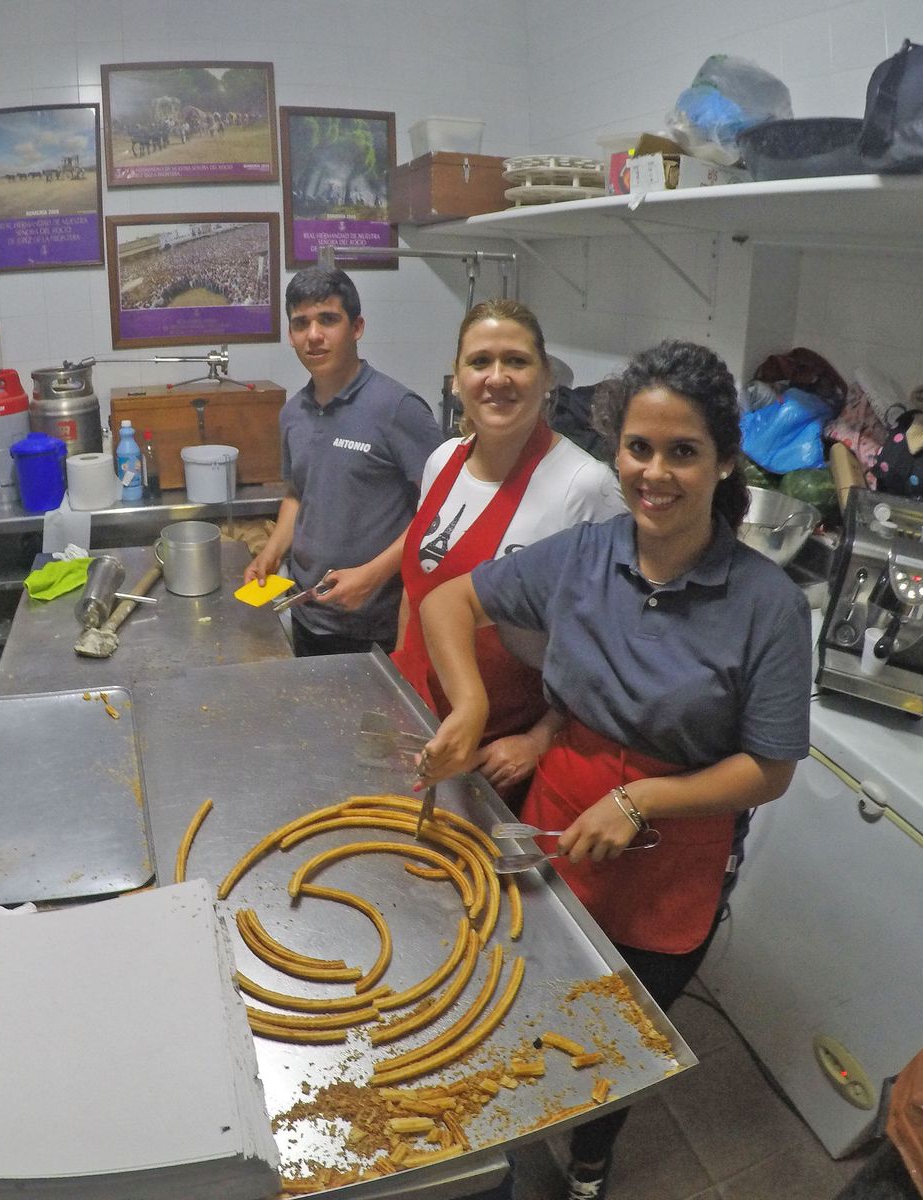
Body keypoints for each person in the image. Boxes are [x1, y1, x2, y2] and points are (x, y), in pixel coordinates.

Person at [415, 341, 812, 1199]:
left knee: (616, 1036)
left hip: (674, 854)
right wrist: (470, 705)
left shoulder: (767, 606)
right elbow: (449, 599)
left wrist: (641, 799)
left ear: (723, 461)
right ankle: (514, 1134)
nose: (655, 473)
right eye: (638, 448)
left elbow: (770, 769)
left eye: (682, 451)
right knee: (531, 999)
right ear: (614, 450)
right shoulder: (585, 554)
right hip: (556, 826)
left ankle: (592, 1155)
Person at [393, 300, 622, 802]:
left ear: (545, 379)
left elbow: (609, 645)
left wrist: (540, 739)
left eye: (516, 361)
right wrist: (396, 675)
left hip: (496, 754)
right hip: (413, 720)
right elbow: (419, 585)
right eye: (480, 362)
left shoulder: (584, 485)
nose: (497, 377)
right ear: (457, 380)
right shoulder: (443, 460)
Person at [245, 267, 443, 656]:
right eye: (301, 323)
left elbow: (445, 510)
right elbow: (298, 494)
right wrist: (272, 552)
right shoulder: (293, 414)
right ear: (290, 335)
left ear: (357, 327)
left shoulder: (397, 408)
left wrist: (375, 575)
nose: (313, 335)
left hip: (380, 626)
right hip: (309, 616)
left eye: (328, 320)